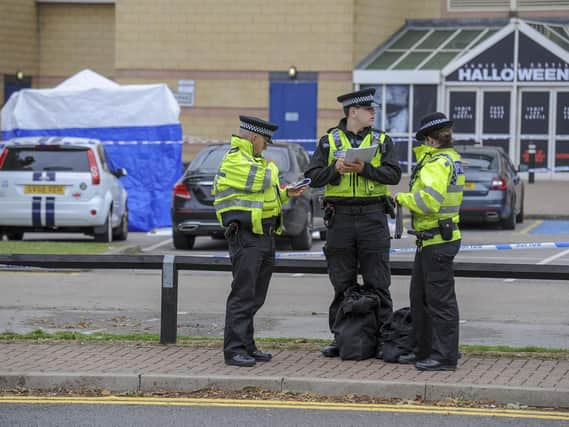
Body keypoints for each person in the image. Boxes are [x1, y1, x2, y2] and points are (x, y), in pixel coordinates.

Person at [304, 88, 401, 358]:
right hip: (340, 218)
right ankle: (341, 337)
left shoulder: (382, 140)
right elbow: (312, 177)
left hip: (373, 216)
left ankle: (383, 339)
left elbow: (394, 174)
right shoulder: (328, 142)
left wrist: (364, 169)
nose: (374, 113)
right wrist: (334, 170)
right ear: (353, 112)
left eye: (374, 110)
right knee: (341, 282)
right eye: (369, 110)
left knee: (378, 281)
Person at [213, 115, 307, 367]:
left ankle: (247, 345)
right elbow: (263, 179)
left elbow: (267, 195)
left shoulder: (256, 161)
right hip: (246, 236)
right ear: (253, 137)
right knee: (243, 296)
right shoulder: (235, 159)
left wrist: (287, 193)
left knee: (255, 296)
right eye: (265, 141)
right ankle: (233, 350)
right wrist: (271, 168)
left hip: (264, 234)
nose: (266, 146)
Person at [395, 112, 465, 371]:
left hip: (437, 240)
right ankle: (423, 349)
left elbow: (429, 203)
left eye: (423, 141)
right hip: (433, 240)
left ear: (430, 140)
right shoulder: (452, 159)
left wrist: (402, 199)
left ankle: (445, 356)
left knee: (440, 302)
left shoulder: (437, 164)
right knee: (421, 298)